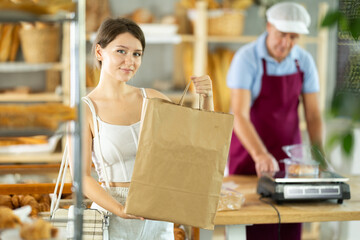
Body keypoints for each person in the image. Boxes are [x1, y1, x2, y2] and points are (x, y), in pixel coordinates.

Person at [75, 17, 214, 240]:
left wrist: (207, 99)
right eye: (121, 51)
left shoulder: (153, 99)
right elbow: (81, 177)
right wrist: (121, 209)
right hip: (111, 217)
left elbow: (201, 147)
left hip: (158, 213)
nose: (129, 60)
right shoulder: (85, 110)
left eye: (136, 54)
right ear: (100, 52)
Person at [226, 2, 323, 240]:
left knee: (290, 225)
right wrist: (260, 155)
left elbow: (312, 115)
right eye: (282, 35)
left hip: (290, 162)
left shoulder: (304, 61)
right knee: (254, 227)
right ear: (269, 26)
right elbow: (238, 114)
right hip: (250, 159)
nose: (286, 43)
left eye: (293, 37)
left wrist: (320, 156)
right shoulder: (246, 59)